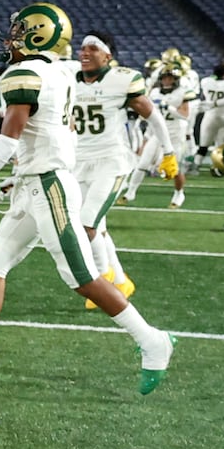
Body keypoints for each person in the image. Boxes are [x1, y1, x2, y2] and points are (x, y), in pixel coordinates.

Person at [0, 2, 176, 395]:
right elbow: (52, 135)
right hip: (38, 182)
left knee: (82, 277)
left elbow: (7, 141)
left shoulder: (26, 73)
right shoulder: (59, 72)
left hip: (48, 188)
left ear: (36, 35)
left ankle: (152, 341)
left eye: (17, 32)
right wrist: (24, 173)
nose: (8, 40)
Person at [69, 30, 176, 310]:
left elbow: (152, 114)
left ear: (108, 55)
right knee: (98, 229)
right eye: (82, 48)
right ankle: (121, 281)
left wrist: (168, 152)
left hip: (111, 162)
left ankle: (102, 281)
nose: (85, 53)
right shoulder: (68, 77)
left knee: (86, 224)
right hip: (79, 163)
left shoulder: (121, 80)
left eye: (93, 48)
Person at [120, 62, 192, 208]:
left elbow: (185, 115)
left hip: (174, 135)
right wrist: (147, 136)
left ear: (175, 79)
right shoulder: (154, 93)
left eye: (170, 78)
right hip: (157, 134)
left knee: (175, 168)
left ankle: (179, 193)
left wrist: (170, 108)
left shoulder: (182, 92)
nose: (167, 80)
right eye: (165, 77)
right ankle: (130, 192)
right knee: (142, 163)